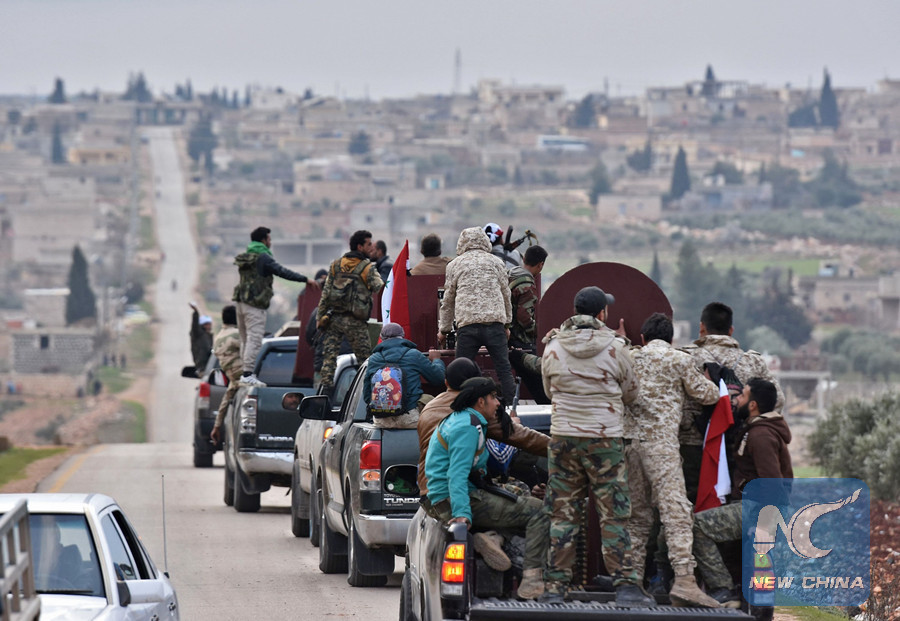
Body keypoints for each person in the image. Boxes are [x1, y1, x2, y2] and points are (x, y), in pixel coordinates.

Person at [539, 286, 653, 607]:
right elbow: (631, 393)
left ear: (576, 311)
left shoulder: (553, 346)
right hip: (605, 440)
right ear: (602, 313)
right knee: (613, 514)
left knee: (563, 513)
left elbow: (549, 390)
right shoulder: (617, 348)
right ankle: (626, 587)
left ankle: (555, 587)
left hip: (563, 437)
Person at [623, 313, 721, 608]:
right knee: (676, 512)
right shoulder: (678, 359)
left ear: (643, 338)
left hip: (630, 446)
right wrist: (710, 381)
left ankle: (631, 582)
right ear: (671, 339)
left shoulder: (629, 358)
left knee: (636, 517)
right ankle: (685, 581)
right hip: (661, 446)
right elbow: (708, 395)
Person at [423, 377, 549, 600]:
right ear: (481, 401)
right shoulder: (467, 427)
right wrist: (462, 515)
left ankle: (493, 537)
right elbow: (456, 474)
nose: (498, 403)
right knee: (539, 511)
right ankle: (532, 581)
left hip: (453, 495)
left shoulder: (463, 419)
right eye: (493, 397)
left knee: (518, 495)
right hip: (453, 499)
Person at [692, 378, 792, 606]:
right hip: (754, 505)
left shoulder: (760, 435)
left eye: (742, 395)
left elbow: (772, 483)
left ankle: (722, 588)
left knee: (697, 526)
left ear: (753, 405)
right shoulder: (758, 429)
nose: (737, 400)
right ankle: (739, 595)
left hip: (757, 508)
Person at [678, 302, 785, 503]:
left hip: (693, 446)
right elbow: (777, 400)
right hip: (738, 445)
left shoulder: (684, 357)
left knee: (693, 504)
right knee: (734, 506)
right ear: (731, 330)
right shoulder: (752, 361)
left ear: (702, 327)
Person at [417, 358, 549, 496]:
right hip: (460, 490)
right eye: (493, 397)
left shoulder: (428, 408)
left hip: (427, 489)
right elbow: (525, 438)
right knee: (529, 504)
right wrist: (559, 448)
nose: (496, 403)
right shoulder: (476, 407)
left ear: (446, 382)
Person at [437, 226, 516, 404]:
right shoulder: (497, 262)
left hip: (467, 326)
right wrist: (507, 324)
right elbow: (506, 295)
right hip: (495, 324)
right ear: (485, 241)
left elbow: (448, 300)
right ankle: (511, 408)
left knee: (461, 372)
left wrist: (444, 330)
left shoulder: (454, 265)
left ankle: (463, 407)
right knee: (504, 370)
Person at [233, 226, 318, 387]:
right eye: (269, 239)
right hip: (254, 304)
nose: (270, 242)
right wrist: (305, 279)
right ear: (263, 240)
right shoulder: (263, 257)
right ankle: (248, 374)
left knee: (245, 339)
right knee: (255, 338)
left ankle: (244, 372)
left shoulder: (247, 255)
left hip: (240, 302)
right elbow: (282, 271)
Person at [317, 230, 384, 395]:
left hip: (334, 319)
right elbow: (381, 288)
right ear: (360, 247)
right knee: (366, 361)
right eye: (369, 244)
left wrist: (320, 318)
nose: (372, 247)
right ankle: (369, 396)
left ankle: (324, 396)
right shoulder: (367, 268)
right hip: (356, 322)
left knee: (329, 361)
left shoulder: (336, 265)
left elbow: (325, 294)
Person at [363, 323, 445, 429]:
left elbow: (366, 395)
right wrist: (437, 360)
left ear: (381, 338)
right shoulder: (414, 355)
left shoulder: (374, 359)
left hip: (381, 421)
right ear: (402, 336)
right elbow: (439, 379)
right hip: (409, 417)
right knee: (429, 399)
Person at [210, 305, 242, 444]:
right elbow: (252, 351)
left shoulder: (218, 339)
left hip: (233, 380)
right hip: (245, 378)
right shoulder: (237, 335)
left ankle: (216, 428)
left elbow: (224, 403)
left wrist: (217, 425)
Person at [507, 245, 547, 351]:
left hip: (503, 332)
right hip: (517, 338)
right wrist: (537, 332)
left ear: (524, 259)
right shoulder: (527, 285)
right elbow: (524, 316)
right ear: (541, 265)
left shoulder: (511, 273)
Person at [189, 302, 214, 375]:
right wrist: (196, 312)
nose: (208, 326)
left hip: (209, 366)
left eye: (209, 324)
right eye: (206, 324)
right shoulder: (198, 334)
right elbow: (195, 325)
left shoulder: (208, 336)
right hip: (201, 367)